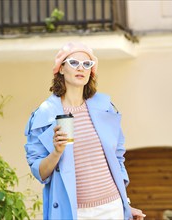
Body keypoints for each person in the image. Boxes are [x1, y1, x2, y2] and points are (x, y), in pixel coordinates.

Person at [24, 42, 146, 220]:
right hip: (74, 213)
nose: (81, 68)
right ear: (61, 69)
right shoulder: (44, 115)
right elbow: (40, 172)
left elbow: (117, 158)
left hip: (111, 208)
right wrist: (57, 152)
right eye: (74, 63)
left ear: (91, 72)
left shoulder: (105, 108)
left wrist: (125, 205)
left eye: (87, 64)